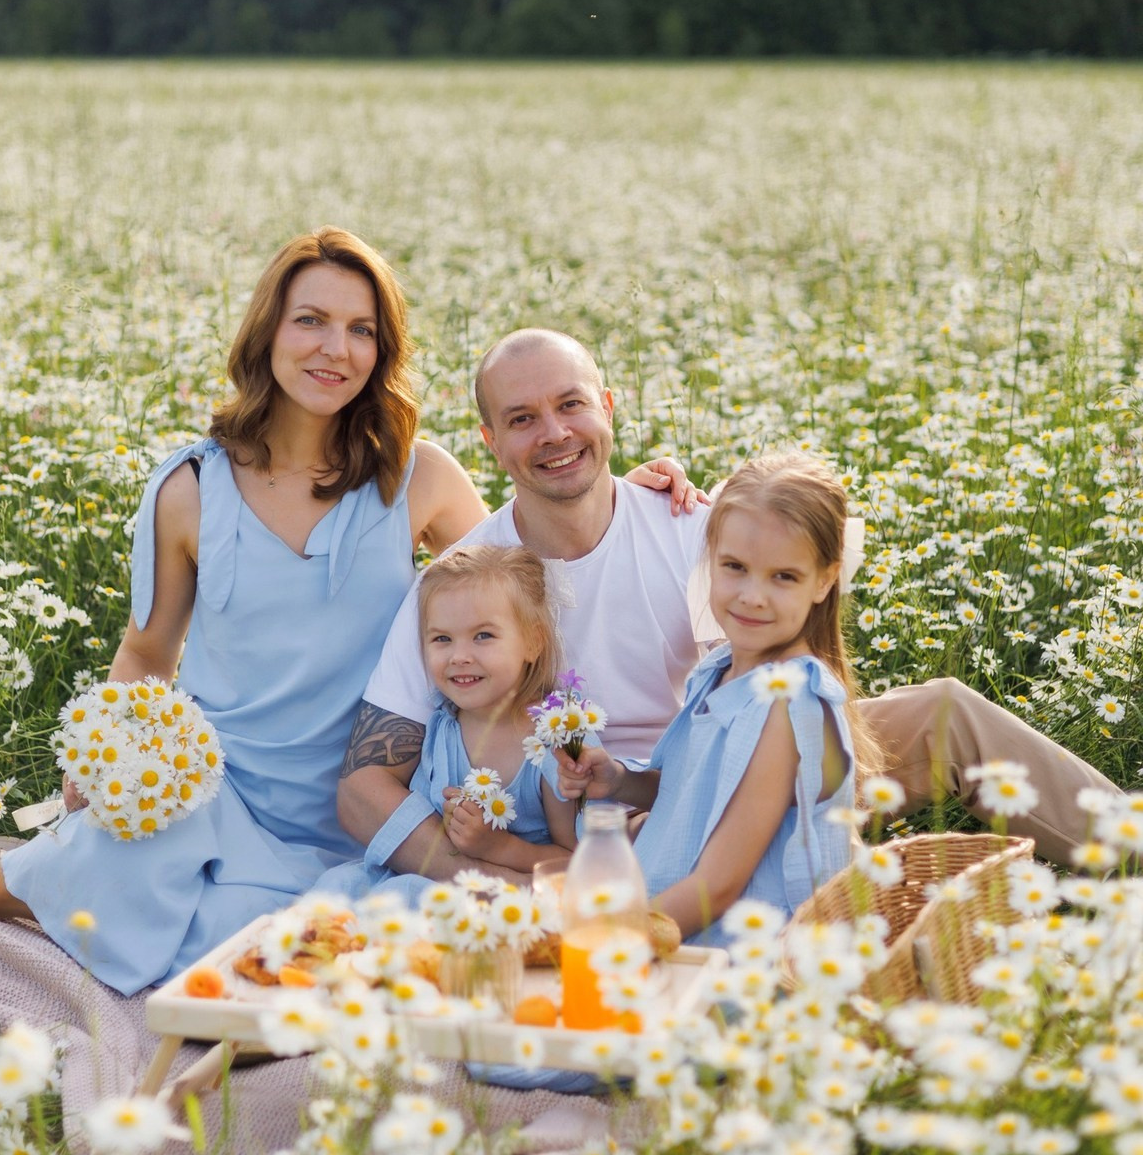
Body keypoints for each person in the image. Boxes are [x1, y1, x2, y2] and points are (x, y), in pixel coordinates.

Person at [0, 238, 688, 994]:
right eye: (311, 321)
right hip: (208, 794)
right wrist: (101, 760)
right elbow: (147, 652)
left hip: (355, 814)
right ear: (268, 332)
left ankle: (27, 873)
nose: (335, 348)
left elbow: (510, 582)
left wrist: (643, 489)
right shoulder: (189, 488)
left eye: (361, 330)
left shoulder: (420, 477)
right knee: (103, 860)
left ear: (381, 351)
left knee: (265, 943)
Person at [338, 328, 1121, 876]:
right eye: (522, 419)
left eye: (570, 405)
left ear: (607, 405)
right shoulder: (463, 582)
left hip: (731, 765)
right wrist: (493, 879)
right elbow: (364, 788)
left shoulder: (689, 524)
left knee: (945, 711)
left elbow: (784, 682)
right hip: (616, 826)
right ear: (490, 442)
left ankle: (1126, 846)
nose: (554, 433)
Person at [558, 452, 879, 944]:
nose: (752, 595)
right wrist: (621, 780)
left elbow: (719, 885)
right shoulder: (719, 670)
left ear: (825, 580)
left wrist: (605, 943)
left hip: (736, 954)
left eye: (783, 576)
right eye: (735, 567)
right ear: (709, 560)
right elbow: (694, 793)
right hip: (666, 924)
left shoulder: (788, 702)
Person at [314, 543, 578, 904]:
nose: (459, 656)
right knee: (336, 887)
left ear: (533, 642)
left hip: (502, 899)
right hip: (418, 875)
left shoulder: (552, 740)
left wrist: (499, 847)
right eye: (442, 639)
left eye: (483, 636)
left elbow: (574, 864)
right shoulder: (440, 723)